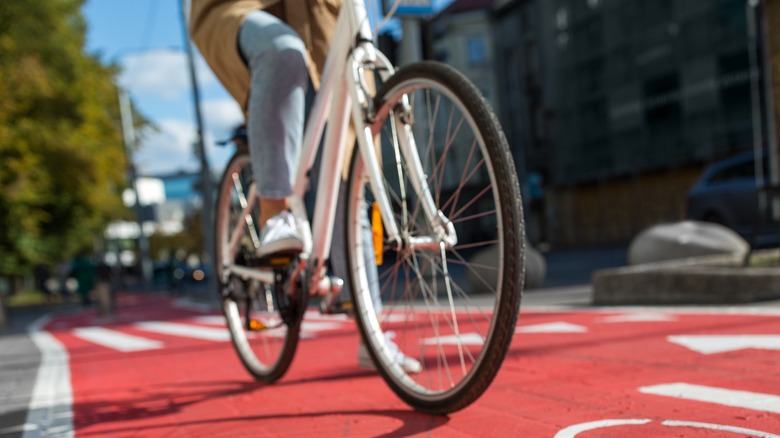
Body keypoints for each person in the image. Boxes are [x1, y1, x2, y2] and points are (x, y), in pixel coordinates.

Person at [190, 0, 420, 373]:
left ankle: (371, 332)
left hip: (327, 24)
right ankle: (275, 212)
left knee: (349, 171)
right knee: (282, 52)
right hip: (241, 7)